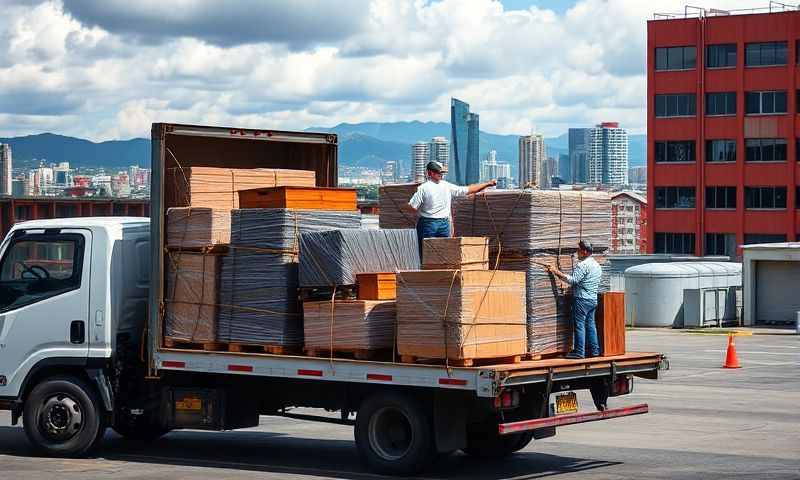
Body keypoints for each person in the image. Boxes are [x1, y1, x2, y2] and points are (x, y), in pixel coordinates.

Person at [406, 161, 496, 254]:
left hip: (428, 224)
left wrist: (407, 207)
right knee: (444, 253)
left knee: (426, 252)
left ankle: (427, 267)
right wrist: (487, 184)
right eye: (440, 173)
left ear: (429, 173)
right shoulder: (446, 186)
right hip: (444, 224)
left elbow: (412, 207)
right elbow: (467, 190)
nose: (441, 175)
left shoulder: (423, 188)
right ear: (431, 173)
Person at [546, 240, 602, 359]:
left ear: (585, 251)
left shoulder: (583, 265)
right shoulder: (597, 265)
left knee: (579, 325)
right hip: (592, 300)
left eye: (579, 251)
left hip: (582, 300)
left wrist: (555, 271)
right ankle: (594, 351)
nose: (577, 253)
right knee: (591, 325)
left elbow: (573, 280)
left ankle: (579, 352)